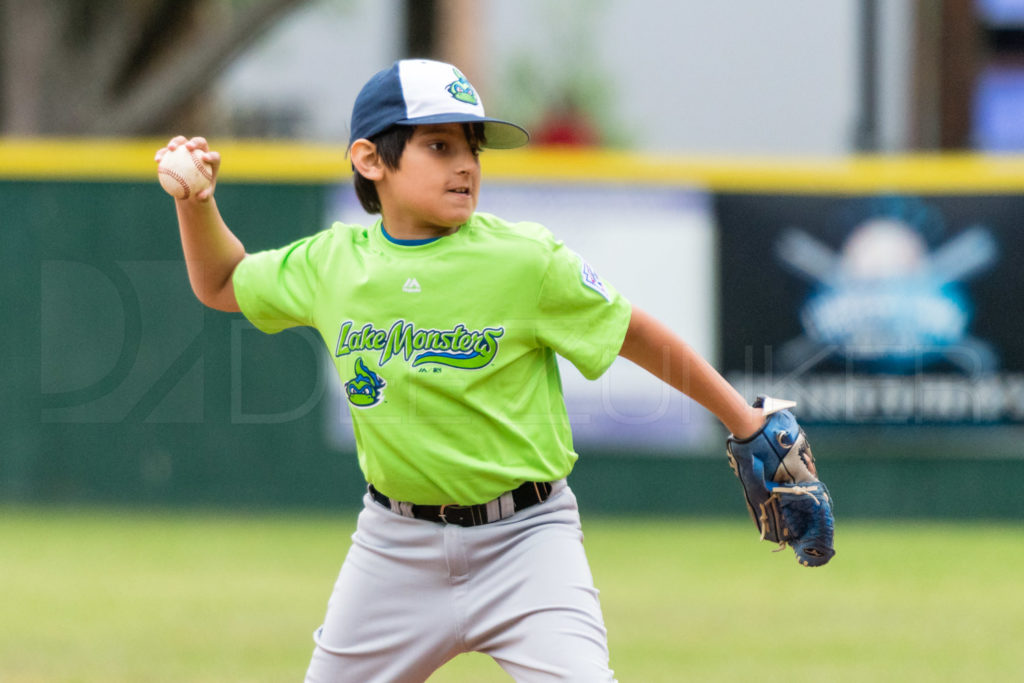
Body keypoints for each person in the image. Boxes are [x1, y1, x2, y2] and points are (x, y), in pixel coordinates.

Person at [157, 59, 766, 682]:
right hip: (395, 548)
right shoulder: (332, 264)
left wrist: (742, 419)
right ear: (370, 159)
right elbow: (225, 281)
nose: (466, 164)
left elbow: (633, 332)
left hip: (528, 542)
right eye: (439, 144)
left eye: (472, 146)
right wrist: (196, 204)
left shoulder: (524, 260)